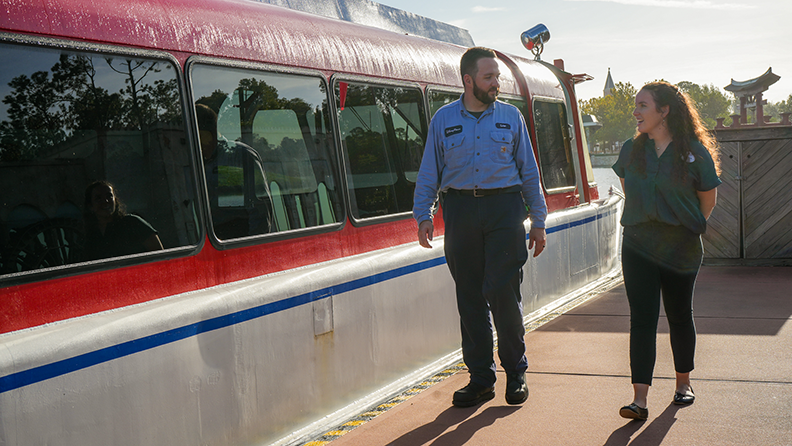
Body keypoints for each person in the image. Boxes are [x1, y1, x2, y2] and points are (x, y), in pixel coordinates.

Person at [413, 47, 547, 408]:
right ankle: (481, 379)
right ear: (468, 80)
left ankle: (516, 371)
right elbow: (430, 171)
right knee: (469, 298)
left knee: (503, 294)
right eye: (489, 77)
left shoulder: (511, 117)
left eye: (498, 77)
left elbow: (529, 172)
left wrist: (538, 221)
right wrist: (423, 215)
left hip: (504, 210)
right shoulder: (443, 119)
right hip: (459, 211)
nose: (496, 84)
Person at [613, 81, 721, 421]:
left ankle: (683, 384)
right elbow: (629, 190)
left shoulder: (694, 153)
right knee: (642, 320)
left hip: (680, 247)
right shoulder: (631, 149)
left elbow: (707, 200)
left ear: (664, 111)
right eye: (636, 105)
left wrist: (680, 228)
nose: (636, 111)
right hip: (638, 245)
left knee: (678, 315)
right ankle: (639, 400)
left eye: (643, 105)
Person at [82, 180, 163, 261]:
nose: (105, 201)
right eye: (98, 198)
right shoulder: (90, 235)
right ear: (90, 206)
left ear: (115, 200)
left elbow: (160, 255)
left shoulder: (133, 223)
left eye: (109, 196)